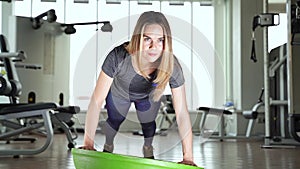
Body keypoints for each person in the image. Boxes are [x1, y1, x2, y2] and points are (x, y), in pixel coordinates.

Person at [80, 11, 196, 166]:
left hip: (147, 96)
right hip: (119, 94)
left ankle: (148, 147)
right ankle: (109, 143)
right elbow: (96, 101)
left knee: (149, 123)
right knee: (114, 121)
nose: (153, 47)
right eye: (147, 39)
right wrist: (88, 143)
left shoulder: (171, 66)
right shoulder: (118, 56)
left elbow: (181, 112)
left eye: (160, 40)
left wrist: (188, 157)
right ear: (137, 38)